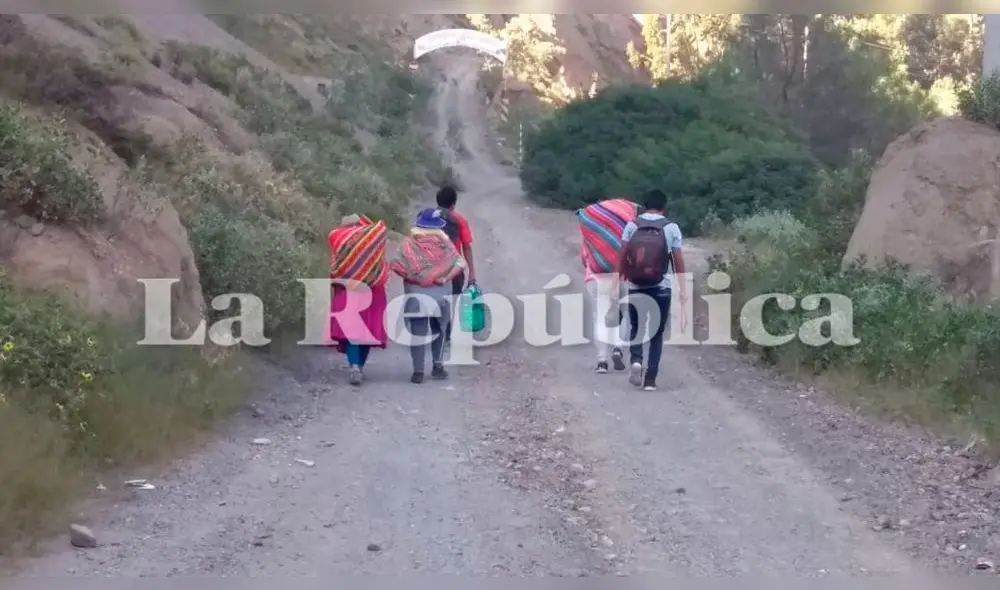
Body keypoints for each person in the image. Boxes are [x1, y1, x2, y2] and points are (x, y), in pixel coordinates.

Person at [618, 189, 686, 391]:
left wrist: (620, 278)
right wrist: (683, 288)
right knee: (657, 334)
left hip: (636, 285)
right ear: (664, 207)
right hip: (662, 287)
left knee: (636, 327)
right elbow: (678, 261)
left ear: (644, 206)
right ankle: (650, 380)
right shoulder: (671, 227)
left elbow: (622, 255)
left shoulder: (632, 225)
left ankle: (636, 361)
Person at [390, 208, 467, 384]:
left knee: (418, 332)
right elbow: (460, 263)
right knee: (439, 330)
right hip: (441, 294)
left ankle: (418, 371)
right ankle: (437, 366)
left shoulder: (409, 244)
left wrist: (413, 277)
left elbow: (395, 265)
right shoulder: (445, 244)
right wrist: (445, 278)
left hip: (416, 295)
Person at [327, 213, 390, 386]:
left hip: (348, 289)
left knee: (352, 332)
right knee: (367, 330)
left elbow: (336, 267)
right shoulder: (372, 239)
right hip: (373, 290)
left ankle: (354, 365)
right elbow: (382, 231)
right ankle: (360, 366)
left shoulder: (339, 240)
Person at [577, 198, 638, 373]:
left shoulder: (590, 233)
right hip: (622, 277)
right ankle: (618, 347)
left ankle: (602, 361)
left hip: (596, 278)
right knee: (623, 314)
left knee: (600, 317)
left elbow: (584, 258)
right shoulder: (627, 230)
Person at [435, 185, 475, 348]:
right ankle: (447, 336)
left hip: (430, 268)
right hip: (454, 270)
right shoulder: (459, 220)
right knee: (452, 301)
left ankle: (436, 331)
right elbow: (466, 247)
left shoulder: (428, 219)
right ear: (454, 203)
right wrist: (472, 273)